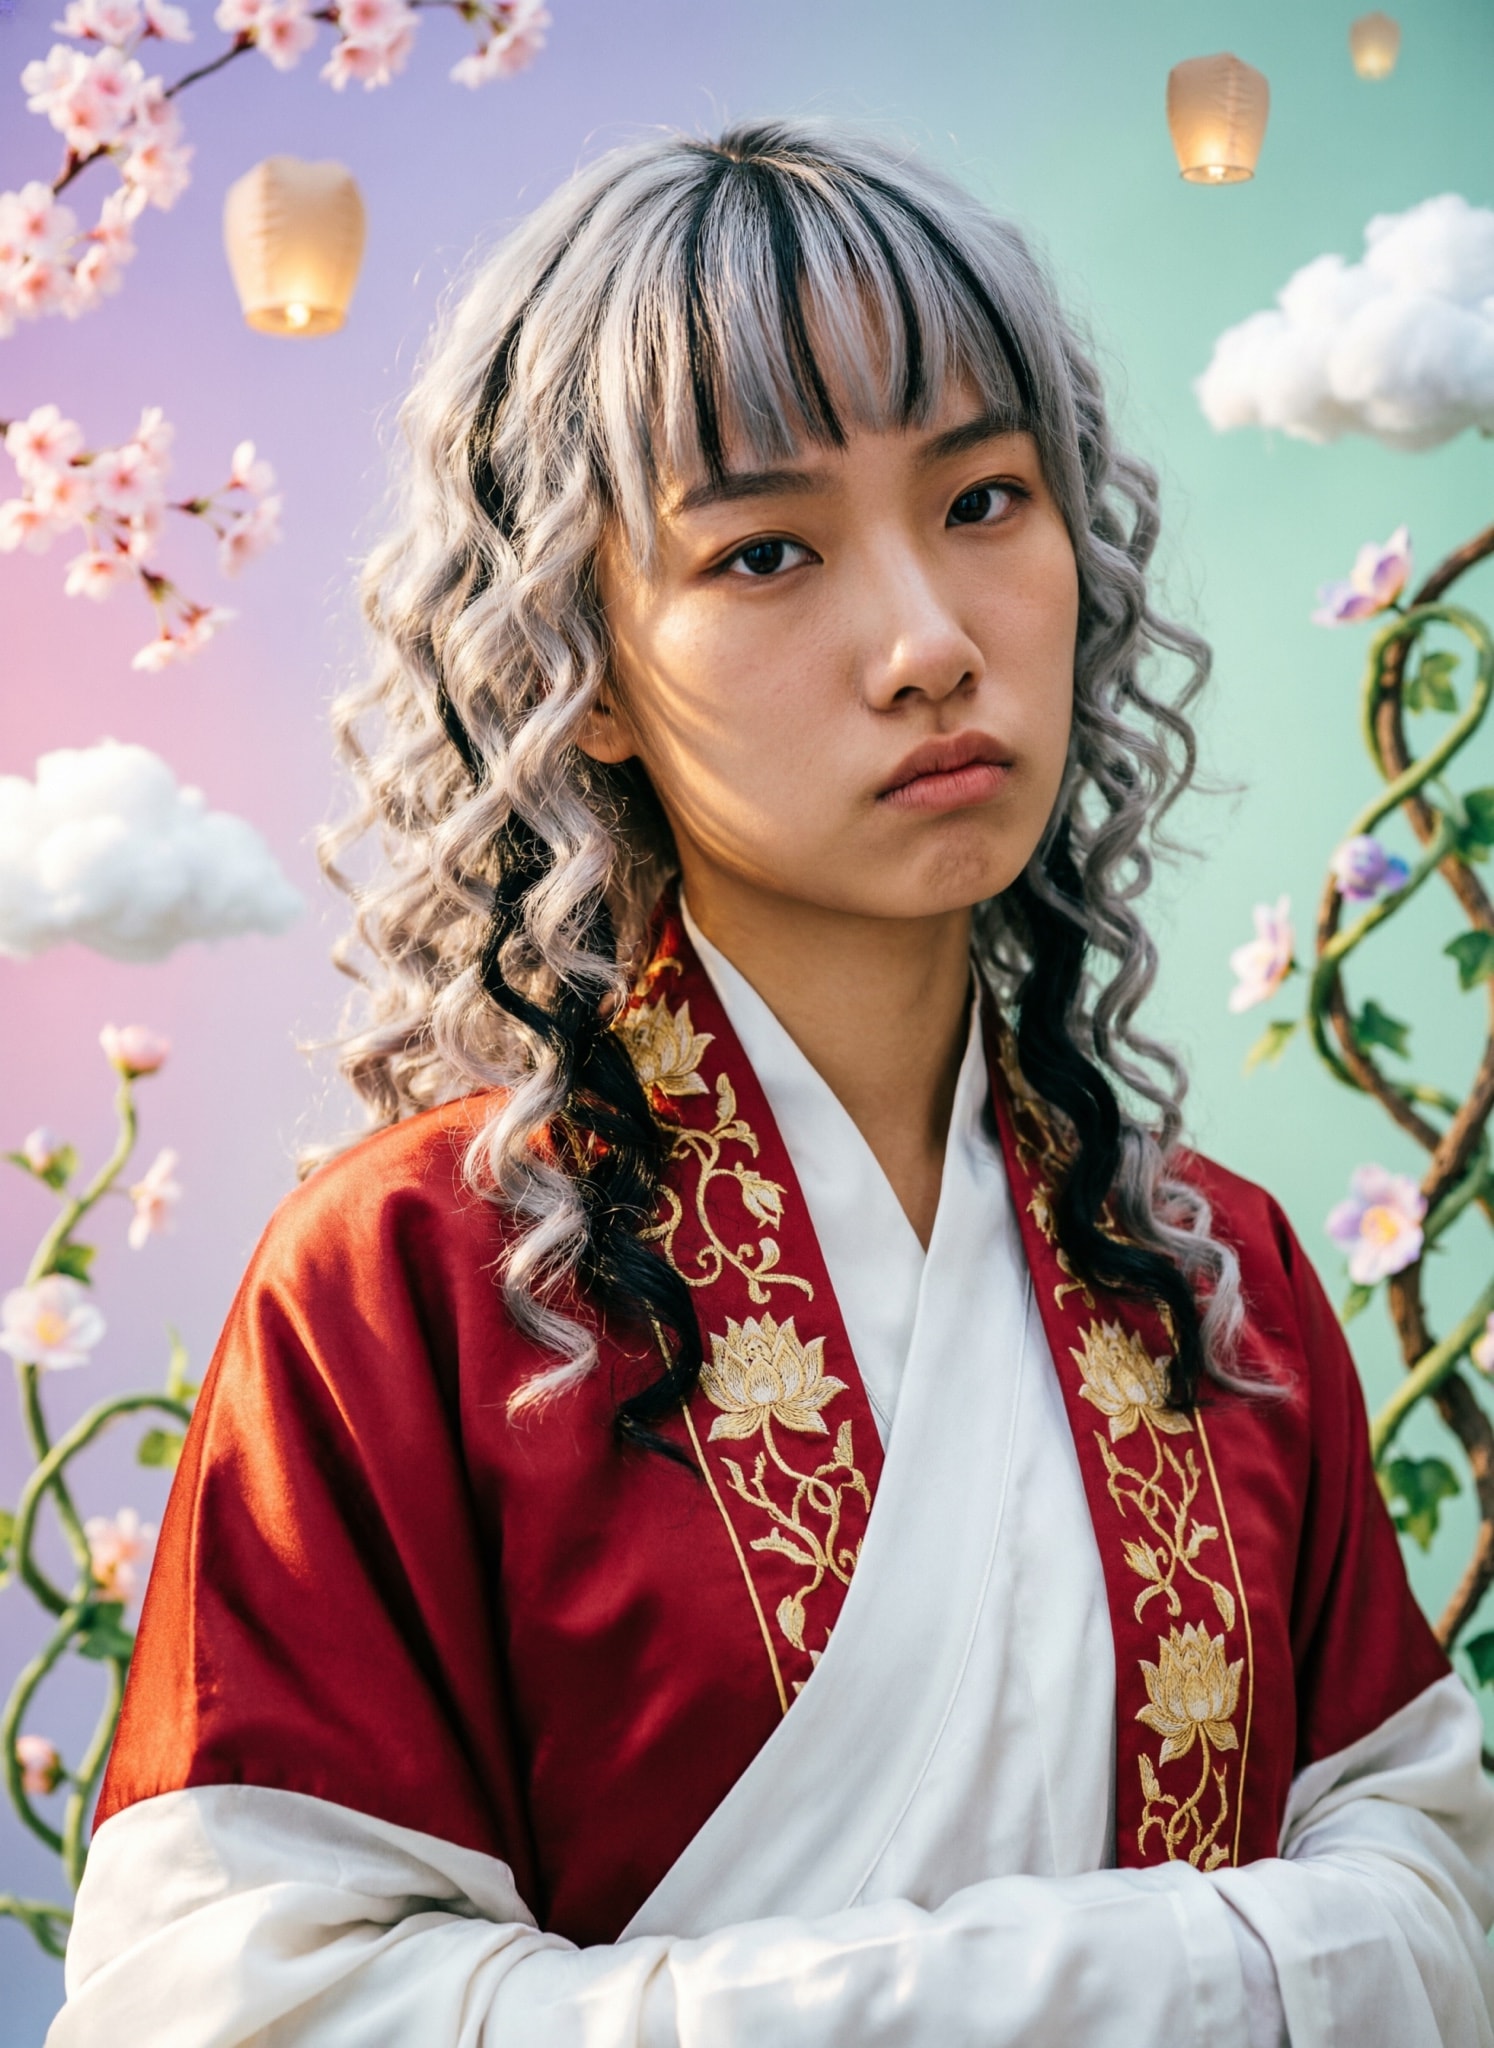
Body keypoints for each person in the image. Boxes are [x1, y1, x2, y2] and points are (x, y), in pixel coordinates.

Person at [48, 120, 1494, 2047]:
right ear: (581, 668)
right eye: (766, 550)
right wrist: (1200, 1970)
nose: (924, 642)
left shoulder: (1206, 1280)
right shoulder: (401, 1288)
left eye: (985, 500)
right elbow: (244, 2008)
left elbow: (1434, 1901)